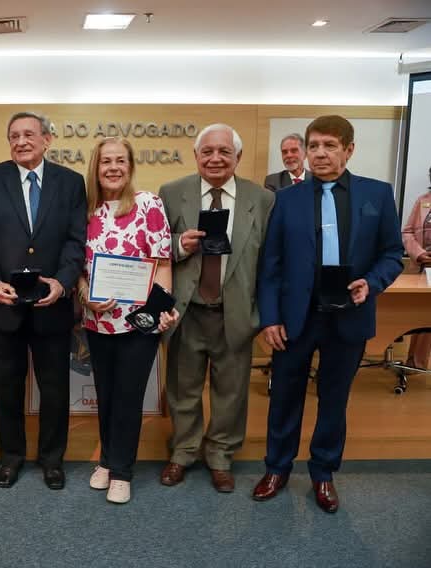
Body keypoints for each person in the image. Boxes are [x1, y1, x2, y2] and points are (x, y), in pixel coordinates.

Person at [254, 115, 403, 513]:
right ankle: (277, 468)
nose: (319, 153)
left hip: (349, 315)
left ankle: (323, 472)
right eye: (313, 145)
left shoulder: (378, 194)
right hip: (296, 318)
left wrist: (371, 282)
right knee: (284, 397)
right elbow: (271, 264)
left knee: (334, 400)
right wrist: (269, 318)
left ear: (349, 150)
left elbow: (392, 253)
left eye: (329, 146)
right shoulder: (285, 199)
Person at [0, 111, 86, 490]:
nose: (21, 142)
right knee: (7, 388)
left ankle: (52, 460)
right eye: (14, 136)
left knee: (55, 389)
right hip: (3, 308)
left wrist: (64, 282)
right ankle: (12, 458)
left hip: (51, 307)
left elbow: (75, 241)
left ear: (47, 140)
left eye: (29, 135)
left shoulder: (71, 183)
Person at [158, 123, 274, 493]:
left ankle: (221, 455)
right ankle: (184, 450)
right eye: (207, 151)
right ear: (196, 155)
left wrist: (262, 315)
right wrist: (180, 244)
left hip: (235, 311)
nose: (215, 158)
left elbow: (271, 261)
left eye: (224, 151)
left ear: (238, 157)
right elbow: (157, 246)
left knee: (232, 391)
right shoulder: (173, 194)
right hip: (187, 311)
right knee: (182, 388)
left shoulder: (263, 199)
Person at [76, 137, 178, 504]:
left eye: (120, 161)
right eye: (106, 162)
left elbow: (163, 264)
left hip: (140, 322)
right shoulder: (85, 211)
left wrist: (161, 310)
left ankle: (122, 471)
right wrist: (86, 295)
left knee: (129, 397)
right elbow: (78, 269)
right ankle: (106, 460)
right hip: (98, 323)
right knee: (106, 395)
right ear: (96, 167)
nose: (113, 167)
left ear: (131, 166)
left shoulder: (149, 204)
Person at [402, 168, 431, 370]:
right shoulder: (422, 201)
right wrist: (419, 253)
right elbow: (408, 231)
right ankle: (415, 363)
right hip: (422, 266)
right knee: (420, 315)